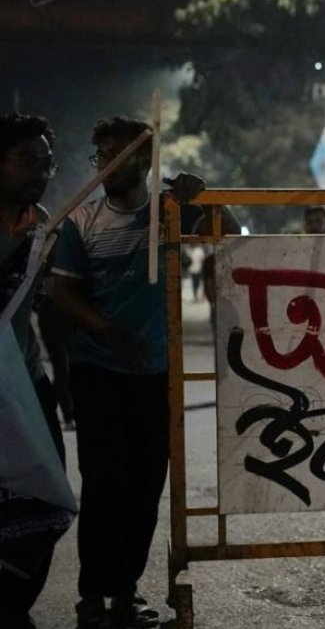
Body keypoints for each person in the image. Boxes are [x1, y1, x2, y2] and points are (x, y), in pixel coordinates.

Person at [50, 116, 206, 629]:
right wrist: (110, 331)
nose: (107, 165)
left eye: (118, 154)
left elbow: (223, 229)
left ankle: (125, 592)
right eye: (101, 156)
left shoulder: (167, 212)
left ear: (145, 159)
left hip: (156, 374)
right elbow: (63, 292)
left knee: (144, 487)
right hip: (98, 371)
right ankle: (92, 597)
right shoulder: (81, 221)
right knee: (103, 485)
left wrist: (201, 196)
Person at [0, 112, 72, 629]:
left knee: (45, 498)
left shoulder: (43, 224)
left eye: (47, 164)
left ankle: (16, 603)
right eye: (27, 161)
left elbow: (46, 310)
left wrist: (63, 383)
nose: (40, 173)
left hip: (27, 385)